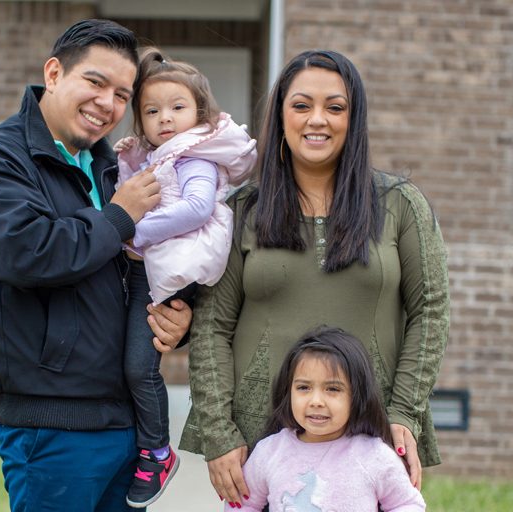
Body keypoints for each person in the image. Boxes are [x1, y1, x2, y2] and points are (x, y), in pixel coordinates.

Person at [179, 50, 450, 506]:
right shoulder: (241, 209)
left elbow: (432, 312)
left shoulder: (403, 205)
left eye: (335, 107)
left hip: (372, 429)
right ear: (280, 115)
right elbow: (211, 327)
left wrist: (405, 411)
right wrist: (218, 432)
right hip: (256, 437)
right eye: (301, 105)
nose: (317, 120)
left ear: (354, 118)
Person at [0, 20, 192, 512]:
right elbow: (25, 254)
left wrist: (178, 321)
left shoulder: (114, 168)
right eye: (96, 82)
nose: (108, 103)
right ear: (55, 73)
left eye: (123, 94)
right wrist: (120, 215)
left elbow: (146, 265)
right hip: (52, 428)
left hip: (125, 425)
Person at [113, 48, 257, 508]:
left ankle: (156, 452)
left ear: (200, 112)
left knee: (139, 365)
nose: (165, 119)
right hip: (151, 268)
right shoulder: (152, 157)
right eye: (152, 111)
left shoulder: (192, 156)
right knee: (128, 362)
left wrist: (130, 231)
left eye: (177, 107)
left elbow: (196, 208)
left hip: (174, 269)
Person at [231, 327, 426, 511]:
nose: (316, 401)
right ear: (287, 391)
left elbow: (407, 503)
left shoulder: (375, 456)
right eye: (304, 387)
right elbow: (245, 504)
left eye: (332, 389)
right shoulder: (269, 452)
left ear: (357, 396)